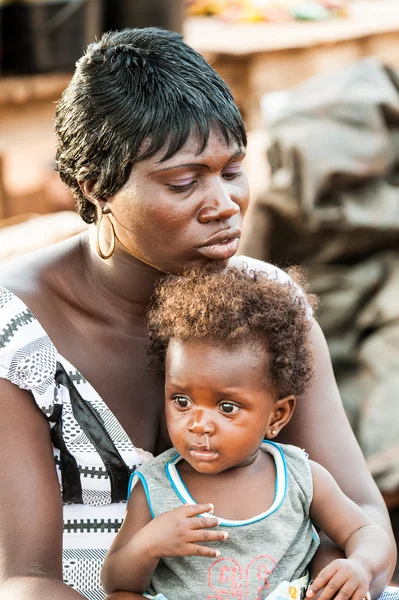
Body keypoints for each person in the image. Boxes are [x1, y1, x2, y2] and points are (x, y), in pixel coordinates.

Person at [0, 27, 396, 600]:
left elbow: (359, 515)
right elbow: (27, 580)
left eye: (233, 171)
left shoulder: (267, 307)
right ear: (95, 188)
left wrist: (335, 577)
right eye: (184, 182)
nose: (224, 205)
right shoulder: (17, 328)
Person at [100, 265, 391, 600]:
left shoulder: (299, 477)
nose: (199, 424)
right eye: (181, 401)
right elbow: (116, 581)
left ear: (277, 416)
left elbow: (365, 530)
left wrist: (361, 566)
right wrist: (149, 544)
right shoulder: (156, 486)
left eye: (227, 408)